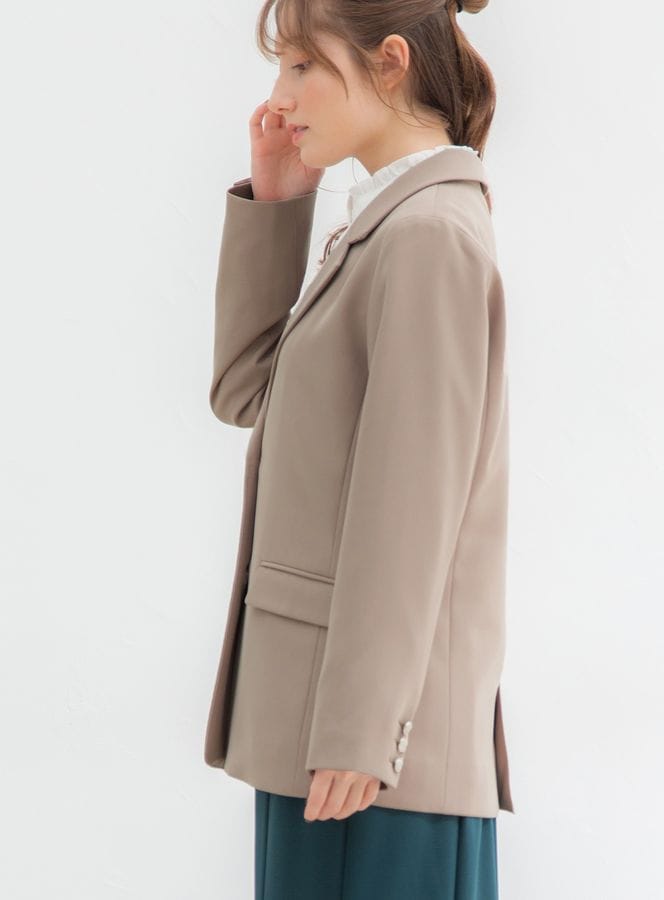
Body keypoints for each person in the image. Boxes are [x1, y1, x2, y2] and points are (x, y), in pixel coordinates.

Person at [204, 0, 514, 896]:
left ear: (390, 62)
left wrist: (361, 730)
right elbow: (245, 392)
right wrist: (277, 203)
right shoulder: (388, 225)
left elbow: (409, 510)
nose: (280, 96)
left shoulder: (426, 238)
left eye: (303, 65)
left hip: (364, 758)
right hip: (328, 737)